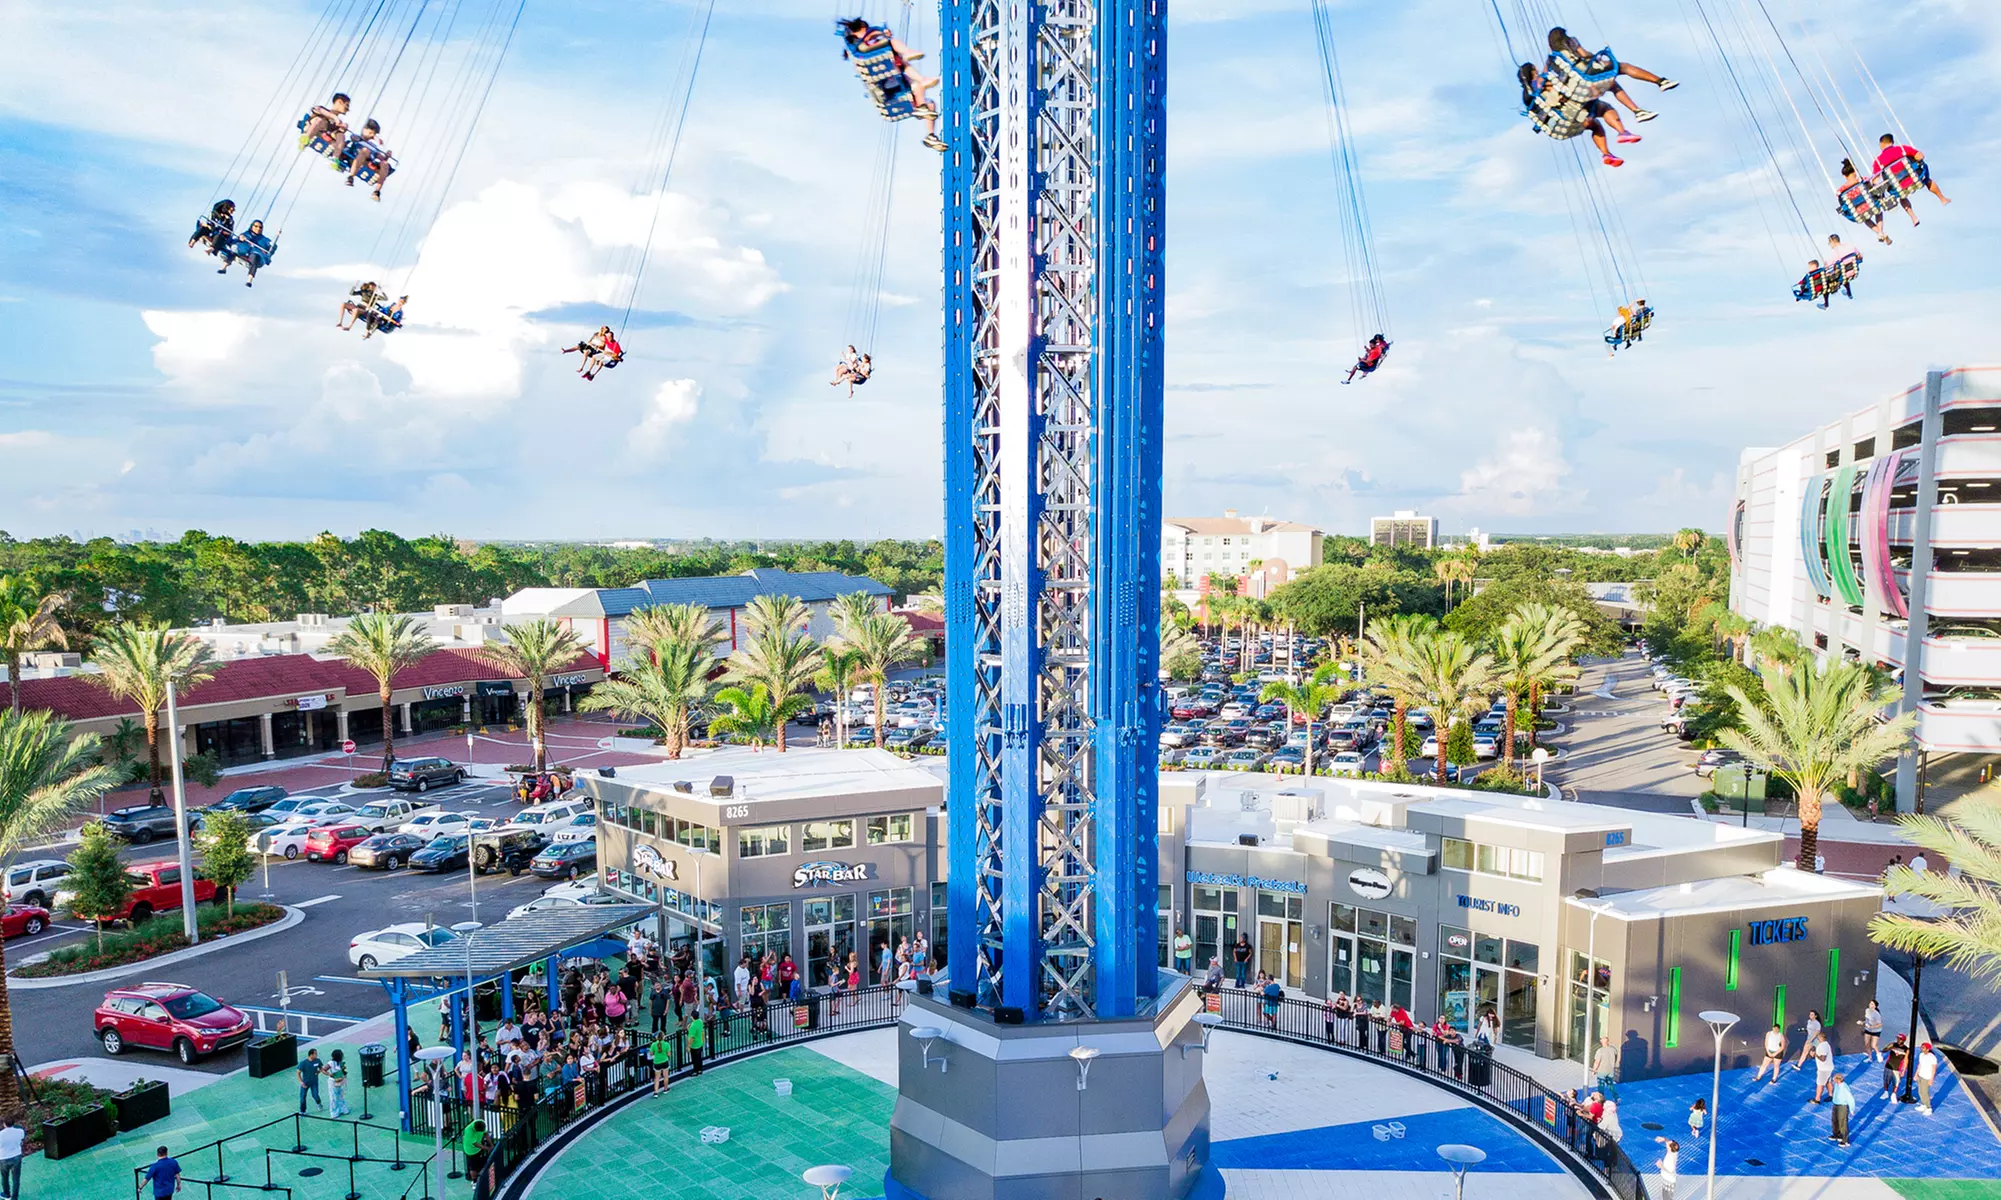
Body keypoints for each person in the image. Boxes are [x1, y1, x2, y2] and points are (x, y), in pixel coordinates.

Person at [837, 18, 946, 150]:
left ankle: (930, 134)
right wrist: (883, 34)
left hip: (892, 82)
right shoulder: (862, 43)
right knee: (894, 49)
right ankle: (910, 57)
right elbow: (874, 36)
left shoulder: (866, 44)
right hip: (885, 85)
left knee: (928, 101)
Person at [1516, 62, 1634, 167]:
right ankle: (1622, 132)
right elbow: (1554, 81)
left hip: (1561, 124)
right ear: (1533, 71)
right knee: (1604, 108)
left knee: (1594, 124)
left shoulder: (1526, 97)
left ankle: (1607, 154)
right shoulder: (1540, 81)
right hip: (1572, 112)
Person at [1546, 28, 1677, 121]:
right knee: (1623, 67)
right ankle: (1660, 81)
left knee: (1613, 85)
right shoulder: (1570, 42)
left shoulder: (1553, 58)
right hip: (1589, 71)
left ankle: (1637, 111)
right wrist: (1594, 56)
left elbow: (1547, 75)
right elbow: (1584, 54)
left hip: (1578, 83)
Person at [1871, 132, 1949, 217]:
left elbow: (1875, 180)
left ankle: (1913, 217)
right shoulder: (1903, 148)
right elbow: (1920, 156)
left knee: (1902, 197)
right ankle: (1942, 198)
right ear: (1892, 142)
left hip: (1898, 187)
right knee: (1927, 180)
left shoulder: (1878, 161)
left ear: (1881, 144)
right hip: (1915, 178)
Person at [1838, 159, 1893, 245]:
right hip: (1871, 204)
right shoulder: (1863, 180)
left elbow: (1843, 204)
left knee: (1865, 218)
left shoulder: (1841, 191)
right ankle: (1881, 231)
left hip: (1858, 211)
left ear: (1845, 176)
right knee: (1878, 211)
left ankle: (1879, 233)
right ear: (1855, 171)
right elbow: (1873, 189)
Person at [343, 120, 394, 200]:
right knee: (365, 151)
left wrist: (386, 156)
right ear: (364, 130)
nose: (372, 135)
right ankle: (351, 177)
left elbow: (379, 156)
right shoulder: (358, 138)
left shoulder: (373, 144)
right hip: (357, 157)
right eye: (370, 133)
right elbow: (353, 138)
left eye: (374, 134)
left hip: (371, 160)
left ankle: (377, 191)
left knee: (385, 164)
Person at [218, 219, 276, 286]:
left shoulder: (264, 240)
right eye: (256, 226)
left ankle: (250, 279)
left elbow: (270, 249)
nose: (258, 229)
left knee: (255, 257)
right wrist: (240, 238)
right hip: (244, 251)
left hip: (254, 255)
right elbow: (235, 240)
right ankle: (224, 266)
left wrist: (273, 245)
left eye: (260, 227)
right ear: (252, 227)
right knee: (235, 249)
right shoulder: (246, 234)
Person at [1829, 1072, 1854, 1147]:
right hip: (1836, 1104)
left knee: (1843, 1122)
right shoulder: (1837, 1085)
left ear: (1838, 1080)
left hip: (1842, 1106)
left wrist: (1852, 1109)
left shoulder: (1844, 1087)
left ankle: (1845, 1140)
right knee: (1835, 1120)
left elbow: (1850, 1098)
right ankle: (1837, 1134)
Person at [0, 1116, 22, 1200]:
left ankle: (6, 1194)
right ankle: (14, 1197)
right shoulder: (19, 1131)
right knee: (16, 1178)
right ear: (13, 1123)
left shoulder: (1, 1135)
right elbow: (21, 1140)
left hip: (3, 1158)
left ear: (4, 1124)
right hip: (16, 1156)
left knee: (4, 1177)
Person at [298, 1047, 324, 1113]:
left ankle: (319, 1104)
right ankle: (302, 1111)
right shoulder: (303, 1063)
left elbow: (321, 1068)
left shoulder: (318, 1061)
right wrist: (301, 1082)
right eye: (315, 1054)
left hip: (314, 1082)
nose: (316, 1055)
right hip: (305, 1082)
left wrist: (318, 1072)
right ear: (311, 1055)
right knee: (302, 1097)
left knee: (315, 1095)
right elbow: (298, 1073)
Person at [1881, 1034, 1908, 1100]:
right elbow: (1884, 1050)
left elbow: (1906, 1059)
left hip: (1897, 1068)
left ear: (1903, 1040)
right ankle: (1886, 1092)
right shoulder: (1893, 1044)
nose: (1898, 1040)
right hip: (1889, 1065)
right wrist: (1889, 1048)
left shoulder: (1906, 1049)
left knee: (1896, 1082)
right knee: (1886, 1080)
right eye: (1897, 1038)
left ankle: (1893, 1094)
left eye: (1900, 1039)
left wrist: (1904, 1070)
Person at [1593, 1034, 1620, 1099]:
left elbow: (1597, 1062)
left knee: (1601, 1086)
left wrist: (1594, 1070)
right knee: (1610, 1085)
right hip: (1610, 1070)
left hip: (1602, 1071)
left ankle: (1601, 1100)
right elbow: (1616, 1057)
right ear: (1608, 1041)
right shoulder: (1613, 1049)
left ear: (1601, 1041)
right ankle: (1616, 1097)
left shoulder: (1600, 1051)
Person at [327, 1048, 352, 1118]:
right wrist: (329, 1074)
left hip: (340, 1081)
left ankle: (342, 1109)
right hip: (333, 1082)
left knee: (340, 1095)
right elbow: (324, 1069)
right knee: (333, 1097)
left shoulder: (340, 1062)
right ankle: (334, 1112)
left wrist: (343, 1068)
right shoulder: (331, 1063)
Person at [1915, 1041, 1938, 1114]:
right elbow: (1920, 1065)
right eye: (1921, 1047)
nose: (1921, 1048)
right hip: (1920, 1076)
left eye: (1923, 1047)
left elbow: (1934, 1069)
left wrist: (1931, 1079)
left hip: (1927, 1077)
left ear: (1928, 1049)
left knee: (1925, 1092)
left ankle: (1928, 1108)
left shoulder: (1932, 1057)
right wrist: (1916, 1074)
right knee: (1920, 1092)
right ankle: (1923, 1104)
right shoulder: (1921, 1055)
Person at [651, 1024, 674, 1095]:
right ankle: (665, 1089)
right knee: (665, 1076)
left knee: (657, 1078)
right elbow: (669, 1054)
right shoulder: (666, 1044)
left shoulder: (653, 1045)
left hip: (657, 1062)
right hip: (665, 1061)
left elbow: (651, 1054)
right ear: (663, 1037)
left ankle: (656, 1092)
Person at [1813, 1033, 1835, 1104]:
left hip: (1823, 1069)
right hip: (1828, 1068)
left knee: (1820, 1084)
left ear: (1820, 1038)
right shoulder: (1826, 1044)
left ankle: (1817, 1099)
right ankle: (1831, 1095)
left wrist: (1815, 1055)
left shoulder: (1822, 1046)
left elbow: (1823, 1058)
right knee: (1828, 1082)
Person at [686, 1008, 706, 1076]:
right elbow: (702, 1031)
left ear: (692, 1017)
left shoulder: (693, 1026)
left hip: (694, 1045)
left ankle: (695, 1071)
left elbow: (691, 1037)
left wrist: (688, 1046)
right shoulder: (700, 1021)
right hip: (700, 1043)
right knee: (699, 1058)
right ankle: (700, 1070)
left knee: (694, 1059)